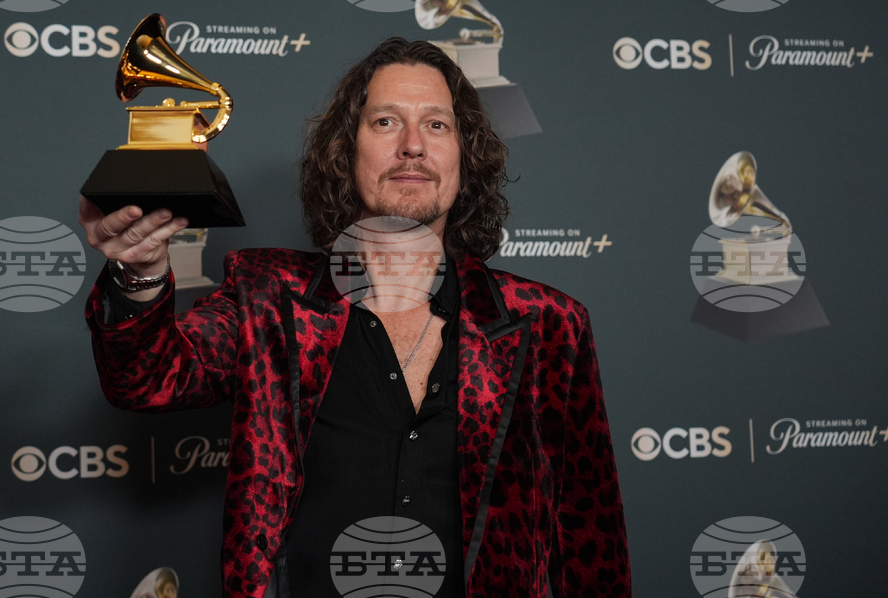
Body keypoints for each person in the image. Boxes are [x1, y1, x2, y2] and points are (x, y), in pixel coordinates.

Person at [81, 38, 631, 598]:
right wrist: (140, 272)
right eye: (386, 121)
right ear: (346, 152)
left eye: (437, 126)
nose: (413, 146)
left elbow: (591, 539)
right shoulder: (267, 296)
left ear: (465, 159)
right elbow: (147, 380)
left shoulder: (548, 325)